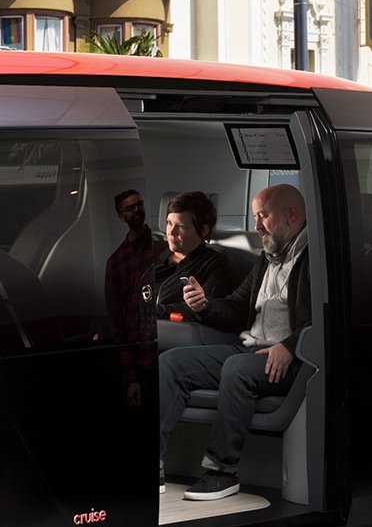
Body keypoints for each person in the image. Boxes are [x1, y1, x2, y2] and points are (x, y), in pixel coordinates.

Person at [159, 183, 312, 501]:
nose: (256, 226)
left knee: (237, 367)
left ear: (292, 214)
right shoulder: (267, 259)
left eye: (263, 216)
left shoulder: (316, 258)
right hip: (249, 348)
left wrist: (290, 345)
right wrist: (204, 305)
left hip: (290, 357)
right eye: (255, 217)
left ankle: (221, 472)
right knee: (172, 361)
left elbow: (328, 318)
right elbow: (236, 307)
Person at [103, 188, 163, 410]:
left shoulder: (161, 244)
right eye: (130, 208)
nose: (137, 209)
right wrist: (131, 377)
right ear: (121, 216)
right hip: (141, 358)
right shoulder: (117, 262)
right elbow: (117, 321)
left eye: (139, 204)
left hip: (165, 345)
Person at [153, 191, 241, 313]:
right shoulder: (153, 251)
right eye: (169, 223)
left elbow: (204, 311)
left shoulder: (214, 265)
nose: (171, 232)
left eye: (181, 226)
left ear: (204, 230)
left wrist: (156, 311)